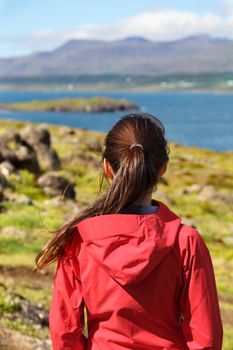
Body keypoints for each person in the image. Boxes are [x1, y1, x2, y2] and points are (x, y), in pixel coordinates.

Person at [35, 113, 223, 350]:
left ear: (106, 167)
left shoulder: (80, 240)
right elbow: (206, 338)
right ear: (162, 169)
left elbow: (64, 334)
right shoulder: (186, 242)